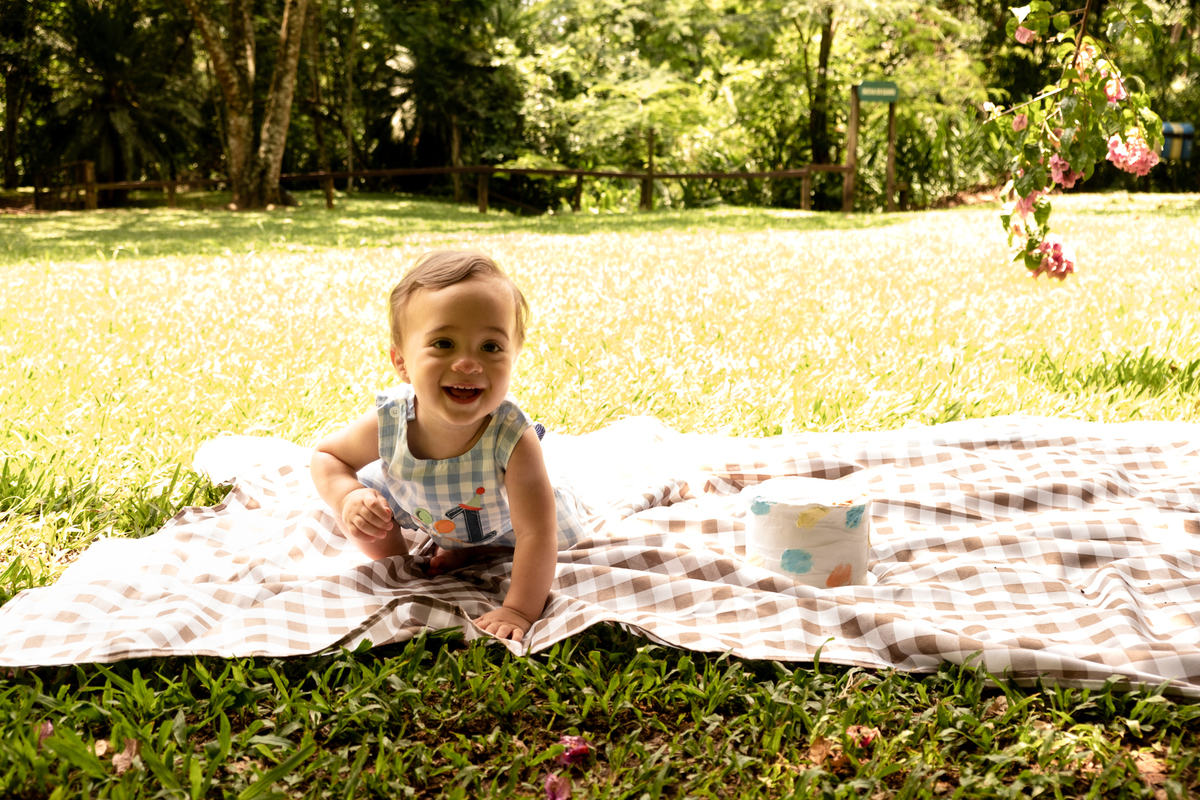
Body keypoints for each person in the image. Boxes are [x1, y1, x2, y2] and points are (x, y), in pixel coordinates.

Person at [311, 250, 586, 642]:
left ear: (514, 356)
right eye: (443, 343)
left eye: (490, 347)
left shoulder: (512, 437)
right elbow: (327, 456)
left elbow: (536, 534)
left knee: (532, 536)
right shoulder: (392, 421)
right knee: (365, 505)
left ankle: (471, 551)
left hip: (504, 523)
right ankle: (399, 565)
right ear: (402, 362)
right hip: (422, 508)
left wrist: (518, 609)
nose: (468, 363)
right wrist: (346, 497)